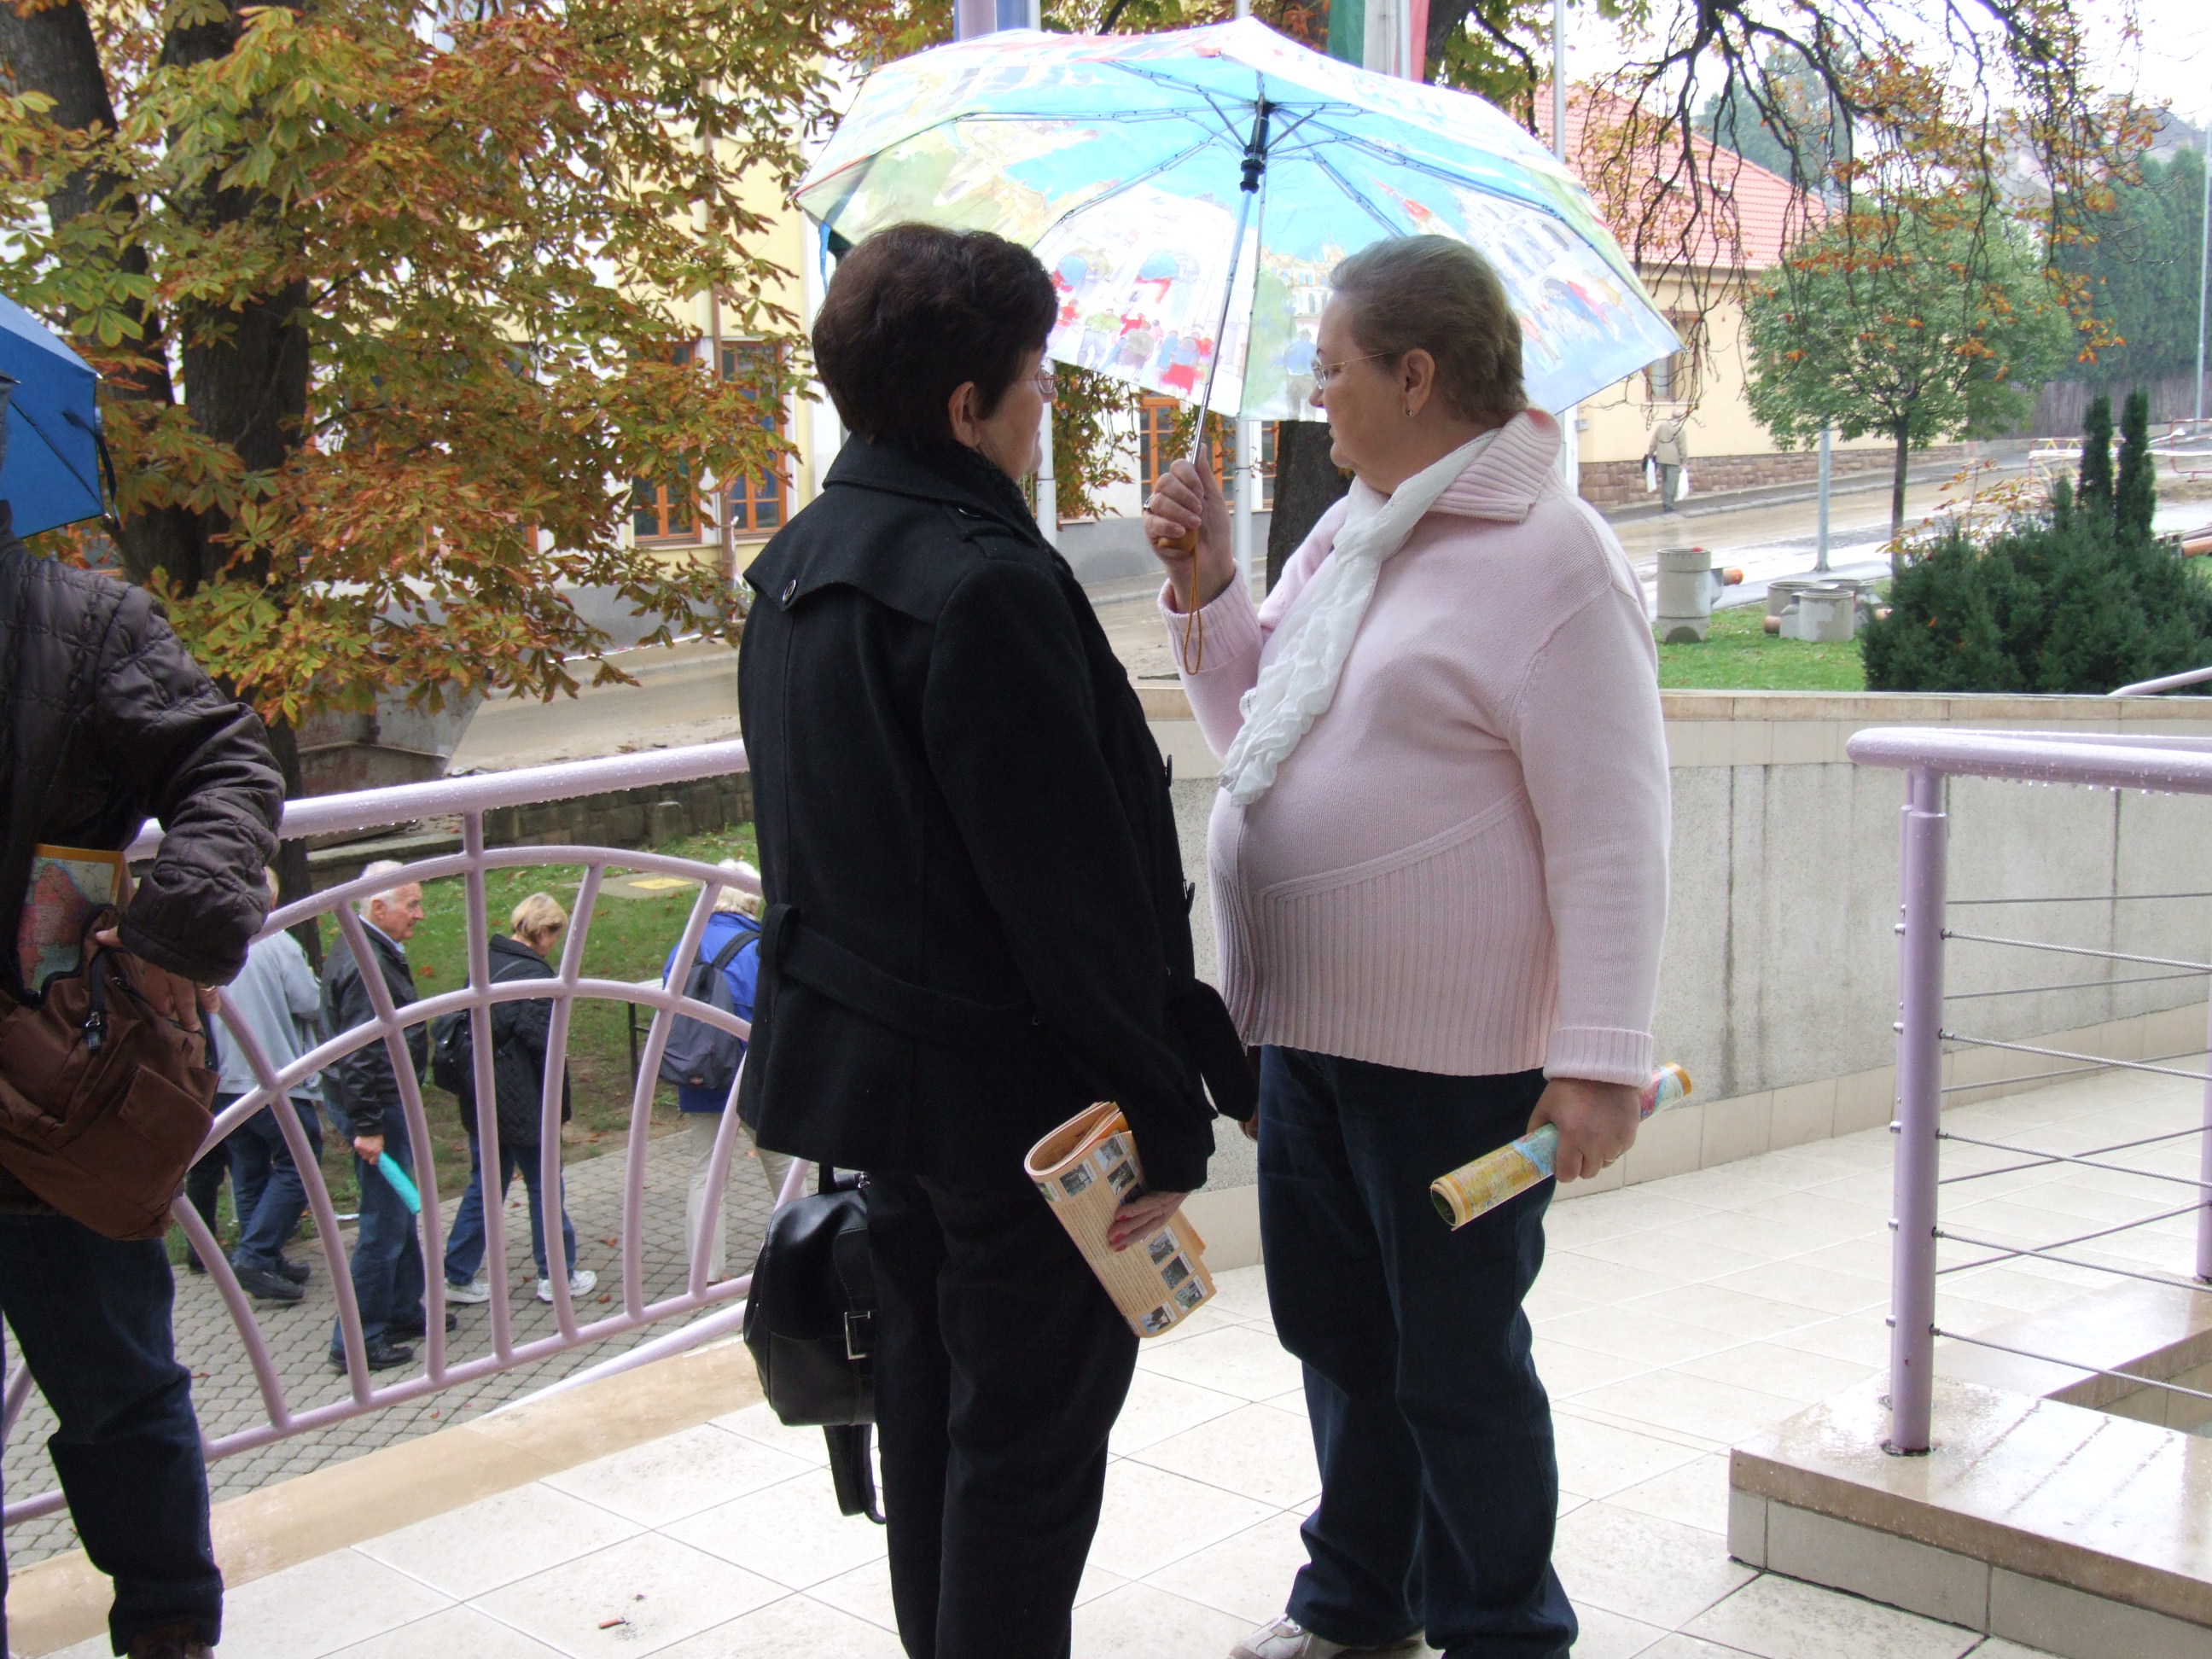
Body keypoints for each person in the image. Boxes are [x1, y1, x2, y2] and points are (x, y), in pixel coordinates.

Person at [1144, 237, 1671, 1659]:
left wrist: (1597, 1062)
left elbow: (1615, 829)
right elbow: (1256, 731)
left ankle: (1504, 1628)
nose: (1317, 393)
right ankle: (1357, 1601)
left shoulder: (1553, 557)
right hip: (1308, 1036)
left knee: (1453, 1364)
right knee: (1335, 1334)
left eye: (1332, 367)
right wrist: (1208, 585)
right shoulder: (1354, 529)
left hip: (1455, 1061)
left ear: (1417, 375)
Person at [737, 222, 1246, 1659]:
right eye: (1035, 380)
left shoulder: (795, 564)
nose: (1046, 405)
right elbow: (1068, 900)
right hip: (1024, 1115)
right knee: (1023, 1462)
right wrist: (1163, 1109)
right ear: (968, 407)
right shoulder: (986, 584)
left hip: (883, 1097)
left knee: (932, 1430)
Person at [1, 498, 283, 1659]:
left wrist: (177, 927)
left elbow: (231, 766)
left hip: (63, 1099)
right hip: (67, 1092)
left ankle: (170, 1630)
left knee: (121, 1391)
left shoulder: (84, 622)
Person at [321, 860, 449, 1371]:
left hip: (378, 1099)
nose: (420, 915)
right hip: (377, 1104)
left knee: (399, 1209)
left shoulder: (366, 947)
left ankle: (400, 1310)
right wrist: (369, 1125)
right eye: (411, 905)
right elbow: (360, 1051)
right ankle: (356, 1340)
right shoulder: (364, 964)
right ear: (378, 907)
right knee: (385, 1221)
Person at [439, 892, 597, 1305]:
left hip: (481, 1094)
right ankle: (556, 1276)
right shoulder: (534, 977)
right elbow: (544, 1043)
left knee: (486, 1186)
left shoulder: (486, 962)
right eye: (554, 935)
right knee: (544, 1187)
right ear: (543, 931)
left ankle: (457, 1272)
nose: (555, 944)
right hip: (524, 1100)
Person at [661, 859, 786, 1281]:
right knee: (783, 1167)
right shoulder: (757, 947)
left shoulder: (684, 947)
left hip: (700, 1074)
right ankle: (798, 1250)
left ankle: (706, 1269)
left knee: (707, 1172)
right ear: (750, 900)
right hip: (752, 1075)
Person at [215, 869, 328, 1303]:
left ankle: (263, 1257)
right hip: (273, 1076)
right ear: (272, 898)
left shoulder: (213, 943)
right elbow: (310, 1002)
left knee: (249, 1167)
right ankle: (257, 1254)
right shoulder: (277, 942)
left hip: (226, 1079)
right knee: (301, 1164)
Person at [1647, 410, 1688, 512]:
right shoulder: (1680, 430)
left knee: (1665, 481)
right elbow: (1682, 448)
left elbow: (1654, 441)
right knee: (1672, 483)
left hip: (1661, 458)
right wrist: (1684, 460)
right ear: (1680, 418)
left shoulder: (1662, 426)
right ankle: (1669, 504)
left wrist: (1650, 453)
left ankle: (1665, 502)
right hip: (1674, 460)